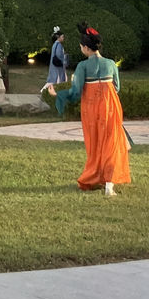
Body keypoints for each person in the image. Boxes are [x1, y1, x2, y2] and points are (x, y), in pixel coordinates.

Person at [48, 22, 130, 196]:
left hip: (92, 108)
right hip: (111, 106)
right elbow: (117, 87)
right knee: (111, 141)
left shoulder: (82, 66)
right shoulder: (111, 63)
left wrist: (58, 95)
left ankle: (95, 176)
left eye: (81, 47)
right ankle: (109, 183)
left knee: (95, 143)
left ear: (86, 47)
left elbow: (76, 92)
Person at [41, 26, 67, 93]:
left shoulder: (55, 44)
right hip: (58, 66)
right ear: (58, 37)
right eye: (62, 37)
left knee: (53, 80)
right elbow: (58, 55)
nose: (63, 38)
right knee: (56, 80)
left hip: (54, 65)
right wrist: (63, 61)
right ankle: (44, 92)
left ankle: (45, 92)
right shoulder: (59, 45)